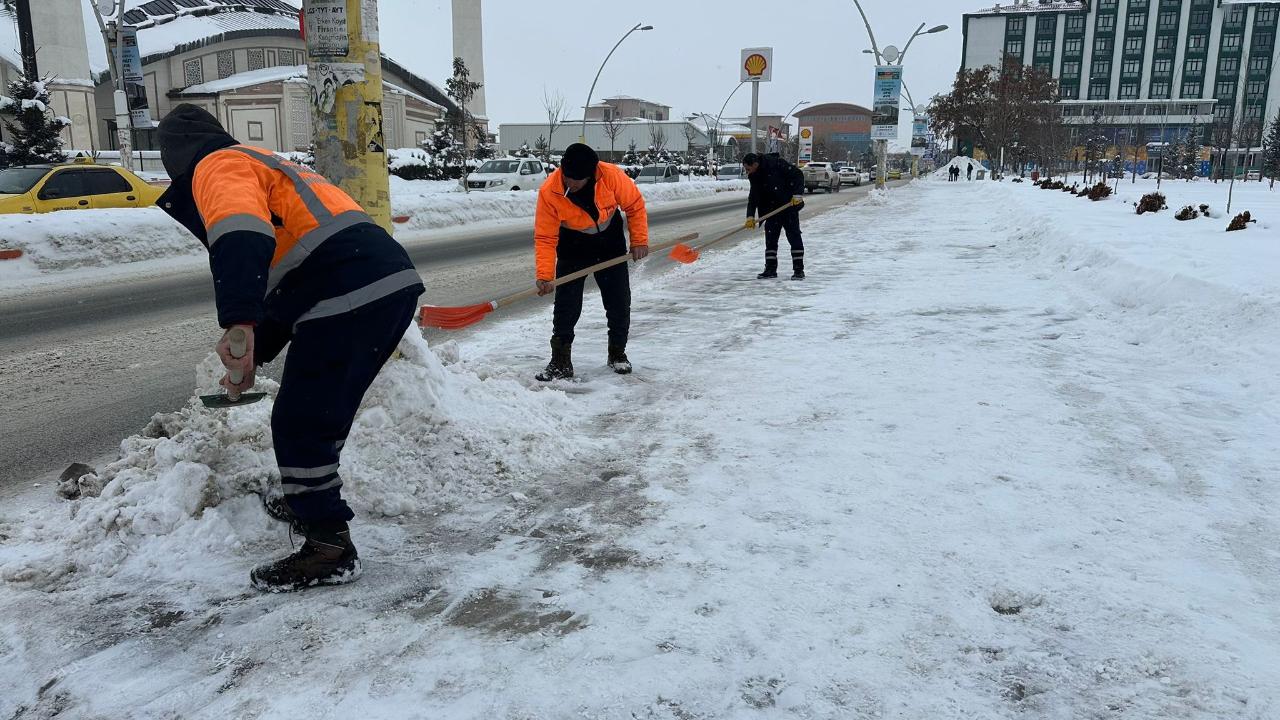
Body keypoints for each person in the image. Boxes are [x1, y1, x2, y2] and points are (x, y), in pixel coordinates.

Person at [156, 104, 424, 593]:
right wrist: (254, 352)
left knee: (300, 420)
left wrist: (238, 321)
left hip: (345, 287)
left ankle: (329, 547)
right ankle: (310, 500)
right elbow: (291, 279)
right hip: (382, 280)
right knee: (321, 411)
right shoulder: (265, 160)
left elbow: (241, 236)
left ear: (177, 157)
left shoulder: (217, 166)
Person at [533, 143, 649, 380]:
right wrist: (545, 275)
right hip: (573, 244)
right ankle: (561, 361)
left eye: (577, 180)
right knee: (566, 305)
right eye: (567, 177)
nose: (570, 184)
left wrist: (639, 240)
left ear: (591, 174)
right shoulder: (550, 191)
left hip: (609, 242)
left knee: (618, 300)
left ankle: (617, 353)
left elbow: (635, 205)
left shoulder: (611, 176)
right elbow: (545, 236)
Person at [742, 152, 806, 280]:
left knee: (794, 237)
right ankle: (770, 269)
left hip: (788, 206)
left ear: (755, 164)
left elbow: (798, 174)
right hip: (771, 209)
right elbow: (753, 196)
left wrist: (797, 194)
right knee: (770, 240)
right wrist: (750, 216)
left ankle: (799, 270)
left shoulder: (776, 163)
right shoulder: (754, 175)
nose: (747, 172)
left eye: (748, 168)